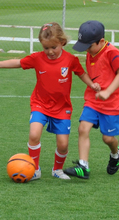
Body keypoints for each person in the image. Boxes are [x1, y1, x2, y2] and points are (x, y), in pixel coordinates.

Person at [0, 22, 100, 180]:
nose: (50, 51)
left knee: (63, 144)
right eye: (46, 48)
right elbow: (18, 63)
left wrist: (92, 84)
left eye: (54, 47)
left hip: (62, 109)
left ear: (62, 42)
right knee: (34, 134)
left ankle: (57, 170)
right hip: (40, 104)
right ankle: (35, 168)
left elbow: (81, 74)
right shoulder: (37, 58)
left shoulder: (71, 60)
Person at [64, 20, 119, 179]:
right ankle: (83, 166)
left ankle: (115, 155)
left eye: (89, 46)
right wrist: (94, 85)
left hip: (112, 102)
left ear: (101, 41)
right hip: (93, 99)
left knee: (108, 138)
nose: (86, 50)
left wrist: (108, 91)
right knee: (83, 128)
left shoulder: (112, 53)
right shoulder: (91, 52)